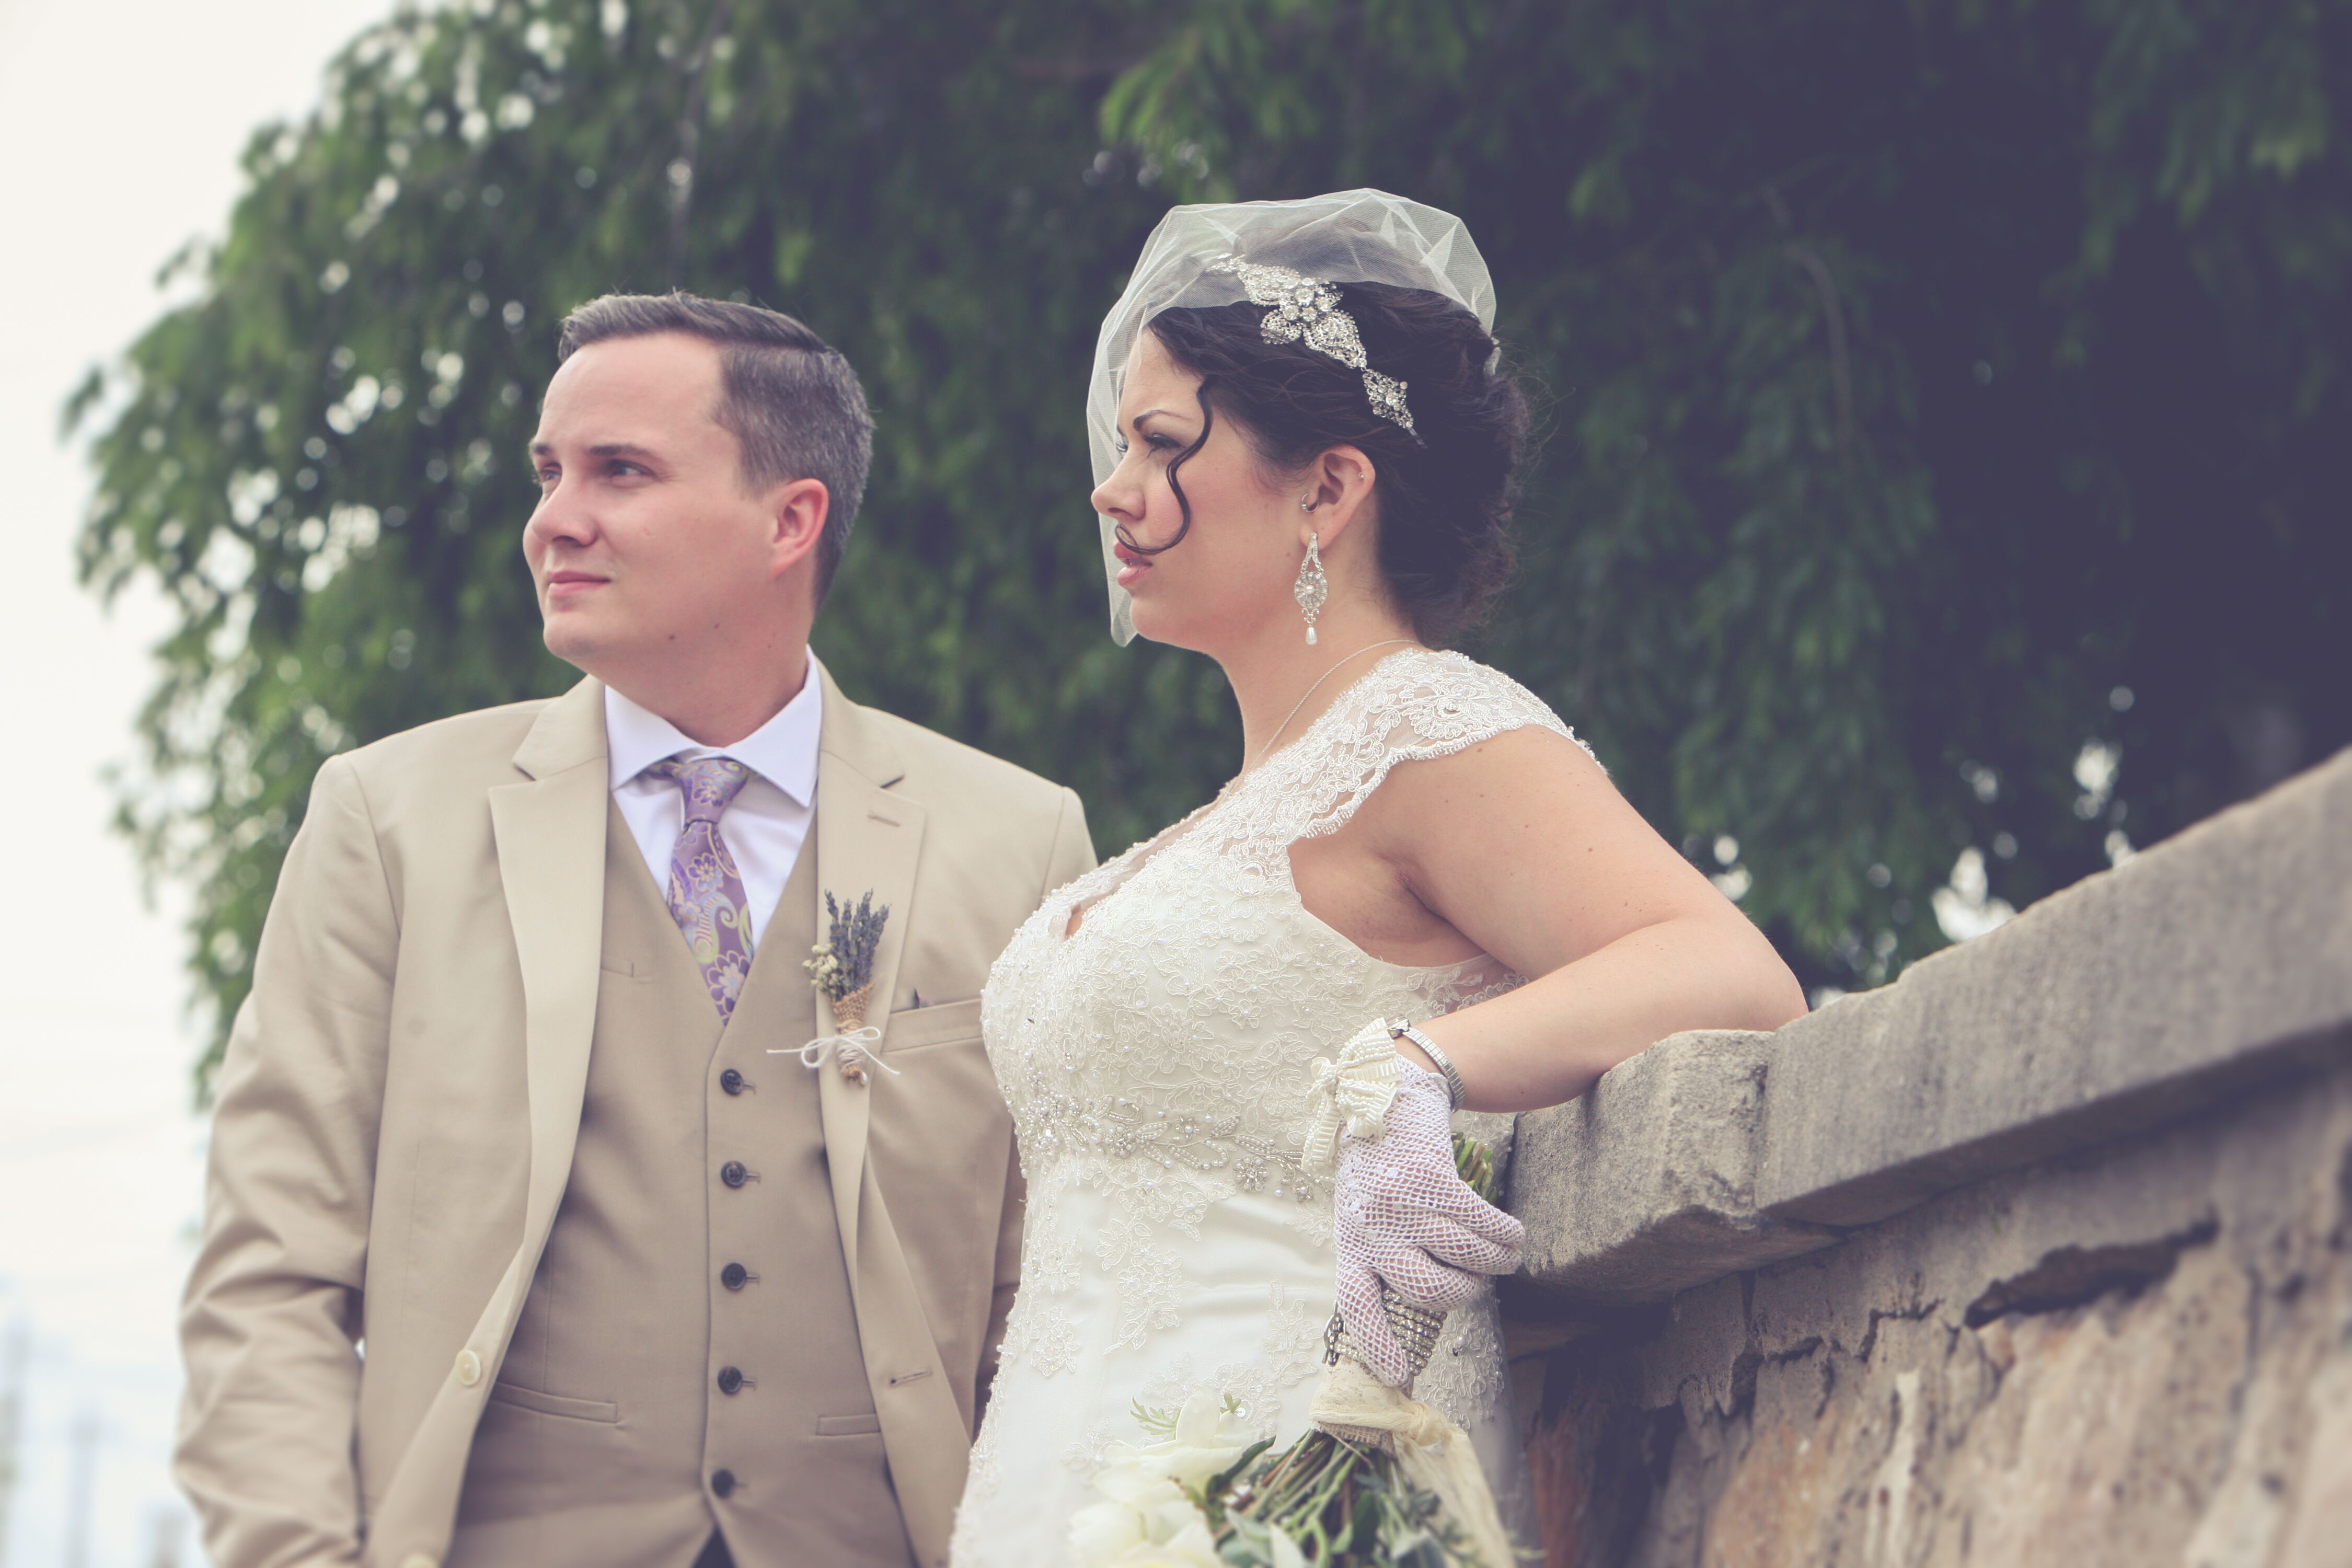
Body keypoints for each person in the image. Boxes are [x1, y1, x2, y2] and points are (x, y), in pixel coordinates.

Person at [950, 191, 1807, 1562]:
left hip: (1274, 1495)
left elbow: (1733, 977)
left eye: (1162, 444)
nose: (1112, 488)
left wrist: (1424, 1065)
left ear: (1330, 489)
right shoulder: (1212, 819)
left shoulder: (1428, 733)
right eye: (1121, 442)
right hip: (1052, 1489)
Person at [176, 293, 1095, 1568]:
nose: (555, 517)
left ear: (791, 519)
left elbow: (1049, 1296)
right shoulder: (388, 821)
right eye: (549, 472)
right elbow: (269, 1274)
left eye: (621, 471)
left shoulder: (1020, 843)